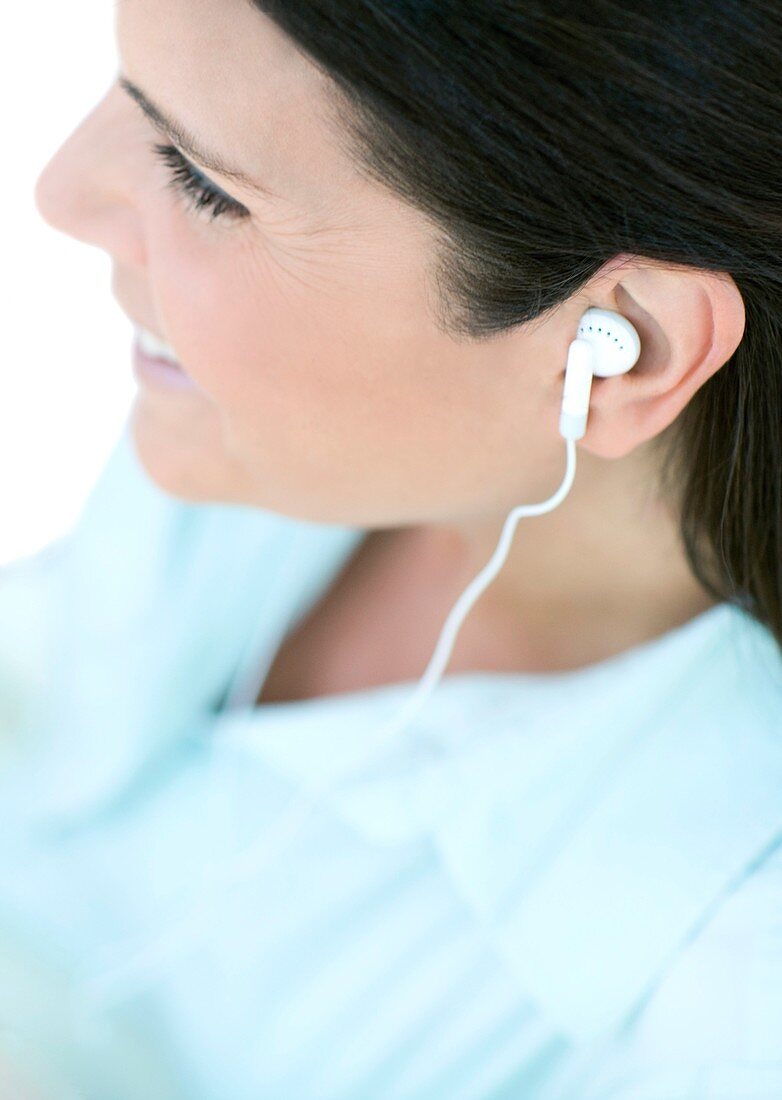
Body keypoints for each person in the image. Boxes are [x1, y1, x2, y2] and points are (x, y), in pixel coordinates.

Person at [1, 0, 780, 1096]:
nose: (59, 190)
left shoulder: (722, 1014)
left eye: (203, 183)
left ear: (621, 347)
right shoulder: (264, 441)